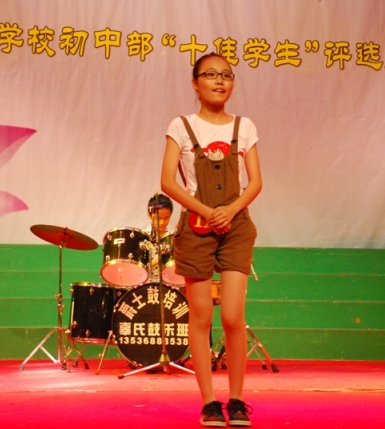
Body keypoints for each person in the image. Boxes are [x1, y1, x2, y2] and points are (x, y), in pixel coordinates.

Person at [160, 53, 262, 427]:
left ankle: (237, 399)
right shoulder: (182, 125)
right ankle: (209, 402)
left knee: (233, 316)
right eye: (210, 75)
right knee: (201, 316)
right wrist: (206, 210)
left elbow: (256, 182)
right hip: (196, 228)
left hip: (236, 226)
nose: (219, 81)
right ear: (195, 83)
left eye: (226, 75)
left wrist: (230, 210)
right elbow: (167, 182)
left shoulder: (244, 126)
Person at [144, 193, 174, 281]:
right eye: (158, 218)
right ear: (149, 215)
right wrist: (160, 258)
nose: (162, 222)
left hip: (168, 283)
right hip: (148, 283)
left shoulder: (172, 238)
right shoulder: (143, 238)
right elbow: (139, 267)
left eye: (166, 218)